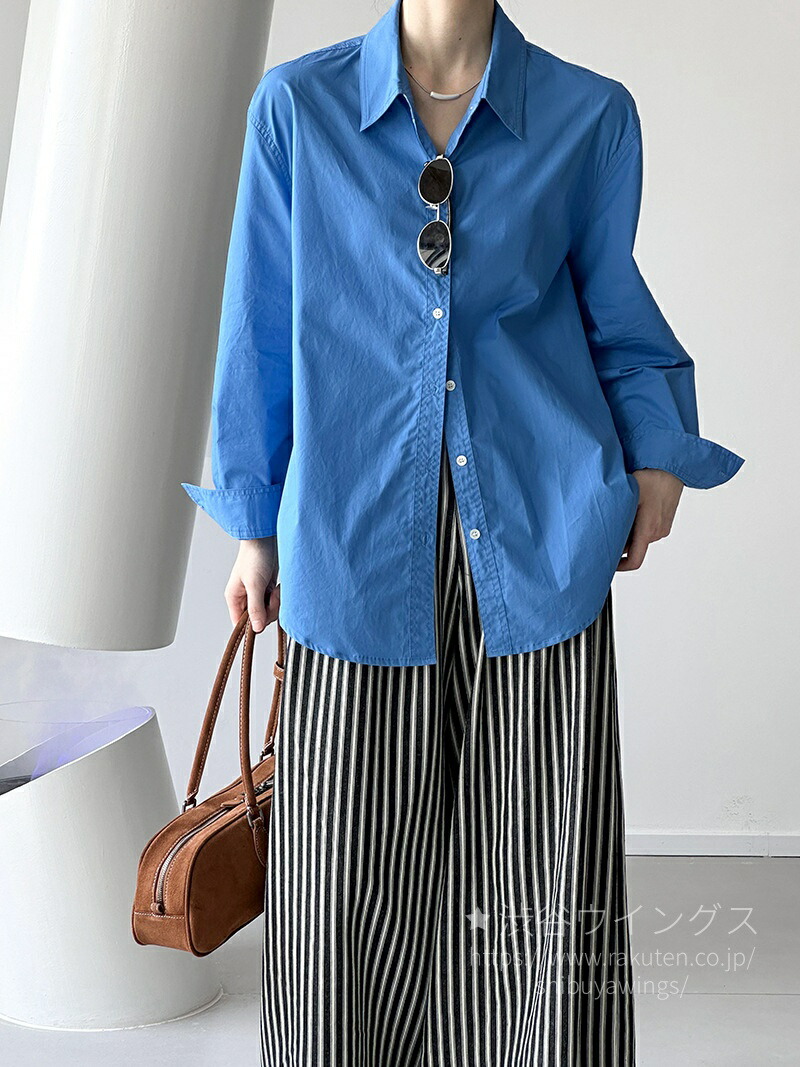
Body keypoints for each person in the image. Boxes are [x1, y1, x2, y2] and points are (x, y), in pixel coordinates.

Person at [181, 0, 744, 1062]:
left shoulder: (589, 115)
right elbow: (258, 328)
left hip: (538, 532)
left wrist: (658, 457)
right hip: (350, 537)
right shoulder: (296, 109)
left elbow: (619, 317)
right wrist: (254, 524)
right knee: (338, 897)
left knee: (540, 900)